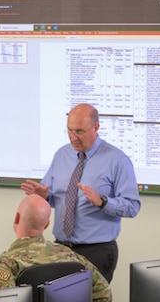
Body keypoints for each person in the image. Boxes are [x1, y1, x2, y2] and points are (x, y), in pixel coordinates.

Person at [21, 103, 139, 282]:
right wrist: (43, 195)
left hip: (96, 251)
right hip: (60, 249)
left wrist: (102, 202)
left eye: (79, 131)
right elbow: (54, 197)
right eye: (69, 130)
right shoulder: (62, 155)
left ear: (96, 127)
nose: (73, 137)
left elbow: (132, 206)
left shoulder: (117, 160)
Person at [0, 194, 112, 302]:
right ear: (47, 224)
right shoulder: (69, 255)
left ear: (16, 218)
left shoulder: (7, 263)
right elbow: (104, 294)